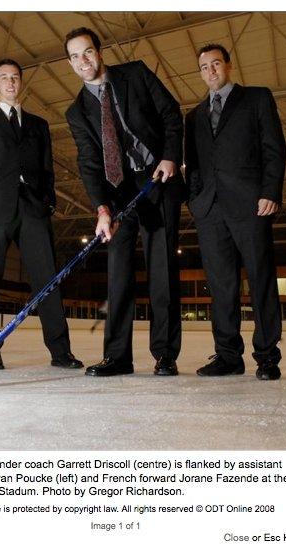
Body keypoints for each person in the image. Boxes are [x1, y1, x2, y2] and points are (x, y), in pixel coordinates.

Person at [65, 27, 184, 377]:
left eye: (87, 51)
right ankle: (117, 356)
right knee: (118, 273)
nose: (83, 61)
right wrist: (102, 208)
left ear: (99, 52)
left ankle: (165, 354)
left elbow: (170, 113)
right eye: (75, 56)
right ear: (70, 63)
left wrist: (169, 156)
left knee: (161, 269)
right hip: (118, 194)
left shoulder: (136, 73)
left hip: (157, 179)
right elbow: (89, 162)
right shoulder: (77, 112)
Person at [0, 58, 82, 371]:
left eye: (15, 77)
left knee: (48, 281)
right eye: (4, 77)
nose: (10, 82)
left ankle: (61, 351)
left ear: (21, 82)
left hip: (33, 209)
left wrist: (49, 203)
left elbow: (47, 168)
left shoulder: (38, 125)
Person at [184, 44, 286, 380]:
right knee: (221, 285)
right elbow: (193, 166)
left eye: (216, 64)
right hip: (210, 210)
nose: (210, 71)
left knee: (261, 280)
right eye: (204, 67)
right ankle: (228, 356)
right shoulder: (194, 117)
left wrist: (270, 192)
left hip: (251, 204)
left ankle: (267, 357)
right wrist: (196, 201)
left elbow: (274, 147)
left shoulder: (256, 98)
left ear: (228, 65)